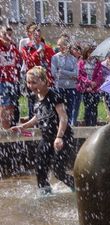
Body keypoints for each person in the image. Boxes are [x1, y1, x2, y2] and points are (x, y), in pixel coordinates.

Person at [10, 66, 75, 194]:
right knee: (40, 167)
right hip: (46, 138)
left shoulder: (54, 95)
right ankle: (45, 193)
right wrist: (23, 126)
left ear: (44, 81)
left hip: (62, 137)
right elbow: (38, 116)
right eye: (29, 82)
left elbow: (63, 118)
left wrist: (59, 137)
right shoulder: (35, 97)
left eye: (34, 82)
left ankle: (78, 188)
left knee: (58, 171)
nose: (31, 86)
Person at [20, 25, 55, 119]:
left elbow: (52, 63)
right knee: (33, 102)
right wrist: (38, 52)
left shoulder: (48, 48)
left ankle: (45, 121)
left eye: (39, 36)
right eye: (35, 36)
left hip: (45, 80)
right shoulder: (26, 48)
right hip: (33, 80)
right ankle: (33, 124)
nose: (37, 38)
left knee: (46, 102)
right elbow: (28, 61)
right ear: (30, 36)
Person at [51, 37, 79, 126]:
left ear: (67, 46)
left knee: (70, 109)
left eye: (60, 45)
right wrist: (70, 75)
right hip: (59, 87)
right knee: (59, 109)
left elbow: (76, 74)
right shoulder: (55, 58)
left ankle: (68, 128)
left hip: (71, 88)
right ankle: (58, 127)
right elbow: (54, 74)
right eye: (58, 45)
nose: (58, 47)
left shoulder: (73, 59)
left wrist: (62, 71)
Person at [77, 45, 103, 126]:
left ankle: (94, 124)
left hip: (95, 89)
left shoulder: (97, 63)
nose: (91, 54)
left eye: (93, 53)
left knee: (94, 107)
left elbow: (100, 75)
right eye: (89, 53)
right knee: (87, 108)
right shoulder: (82, 62)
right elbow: (80, 75)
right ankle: (88, 124)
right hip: (86, 89)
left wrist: (94, 84)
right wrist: (88, 83)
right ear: (86, 53)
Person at [0, 27, 21, 129]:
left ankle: (8, 128)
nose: (8, 37)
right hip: (1, 81)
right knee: (4, 103)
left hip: (13, 80)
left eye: (10, 35)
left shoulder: (13, 48)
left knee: (12, 104)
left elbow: (18, 63)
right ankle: (4, 129)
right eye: (5, 35)